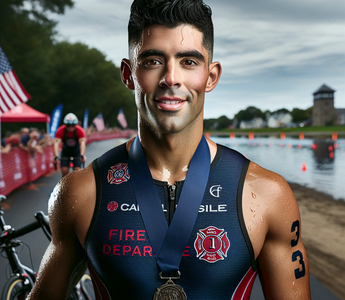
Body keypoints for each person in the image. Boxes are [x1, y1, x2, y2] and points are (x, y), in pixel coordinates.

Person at [28, 1, 311, 299]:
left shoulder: (267, 194)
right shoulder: (81, 191)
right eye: (152, 61)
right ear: (128, 74)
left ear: (211, 76)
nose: (171, 78)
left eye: (189, 61)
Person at [53, 113, 86, 177]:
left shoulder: (79, 130)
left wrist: (82, 155)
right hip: (66, 152)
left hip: (76, 152)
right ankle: (66, 185)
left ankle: (76, 185)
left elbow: (82, 143)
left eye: (73, 125)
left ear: (76, 124)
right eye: (68, 125)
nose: (70, 127)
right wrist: (56, 155)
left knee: (77, 170)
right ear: (65, 125)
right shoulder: (61, 130)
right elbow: (56, 143)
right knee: (65, 171)